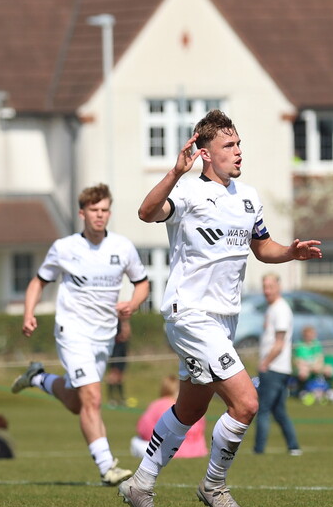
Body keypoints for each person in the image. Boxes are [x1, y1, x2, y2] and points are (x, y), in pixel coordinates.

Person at [120, 109, 321, 507]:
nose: (238, 151)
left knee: (189, 410)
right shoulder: (190, 194)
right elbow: (146, 212)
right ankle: (214, 484)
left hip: (223, 321)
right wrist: (175, 172)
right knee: (247, 403)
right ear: (206, 153)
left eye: (239, 143)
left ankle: (140, 483)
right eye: (228, 145)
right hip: (190, 316)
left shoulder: (248, 197)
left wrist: (291, 253)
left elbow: (262, 247)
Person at [12, 183, 149, 485]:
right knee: (93, 398)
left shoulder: (122, 247)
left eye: (104, 210)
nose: (100, 216)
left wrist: (133, 304)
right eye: (94, 211)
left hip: (104, 337)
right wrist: (28, 314)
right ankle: (106, 466)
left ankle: (38, 378)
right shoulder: (64, 248)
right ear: (82, 213)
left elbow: (142, 283)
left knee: (79, 402)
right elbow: (38, 282)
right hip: (72, 331)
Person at [253, 273, 302, 456]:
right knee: (279, 411)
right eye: (264, 286)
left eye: (270, 286)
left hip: (275, 368)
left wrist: (265, 363)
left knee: (263, 409)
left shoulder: (280, 309)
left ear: (278, 287)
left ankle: (258, 450)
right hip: (278, 368)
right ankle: (294, 446)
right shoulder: (271, 308)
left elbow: (279, 343)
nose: (266, 291)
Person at [130, 375, 208, 459]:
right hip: (198, 450)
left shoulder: (160, 404)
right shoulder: (193, 404)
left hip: (171, 451)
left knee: (136, 441)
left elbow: (143, 428)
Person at [294, 325, 333, 403]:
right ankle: (303, 391)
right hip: (304, 366)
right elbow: (298, 361)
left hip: (316, 366)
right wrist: (310, 367)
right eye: (309, 334)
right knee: (303, 371)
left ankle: (326, 390)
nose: (311, 336)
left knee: (329, 369)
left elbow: (320, 358)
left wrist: (317, 366)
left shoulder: (317, 344)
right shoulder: (298, 344)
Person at [106, 317, 131, 407]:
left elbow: (127, 334)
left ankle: (121, 398)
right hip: (115, 349)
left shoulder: (124, 320)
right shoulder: (114, 321)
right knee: (113, 374)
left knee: (120, 375)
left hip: (122, 348)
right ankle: (111, 399)